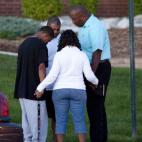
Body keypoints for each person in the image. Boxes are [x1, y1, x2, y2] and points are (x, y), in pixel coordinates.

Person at [34, 30, 98, 142]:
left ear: (62, 41)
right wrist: (97, 82)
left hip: (60, 90)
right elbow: (89, 76)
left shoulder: (59, 55)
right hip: (78, 91)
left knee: (60, 120)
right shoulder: (82, 55)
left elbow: (52, 75)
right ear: (76, 40)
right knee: (79, 120)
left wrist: (40, 87)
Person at [69, 5, 111, 142]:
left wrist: (91, 76)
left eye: (74, 19)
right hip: (92, 68)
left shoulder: (95, 27)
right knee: (94, 107)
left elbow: (97, 52)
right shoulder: (86, 26)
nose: (73, 22)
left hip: (99, 68)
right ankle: (99, 138)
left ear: (82, 17)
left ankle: (98, 139)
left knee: (96, 106)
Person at [14, 26, 54, 142]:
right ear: (45, 35)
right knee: (38, 124)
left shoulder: (24, 44)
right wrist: (42, 87)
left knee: (26, 122)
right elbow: (41, 67)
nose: (47, 43)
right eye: (49, 40)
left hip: (21, 89)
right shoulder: (40, 45)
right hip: (34, 91)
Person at [45, 16, 61, 142]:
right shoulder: (43, 40)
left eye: (57, 29)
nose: (55, 32)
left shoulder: (63, 41)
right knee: (43, 117)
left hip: (58, 86)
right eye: (53, 29)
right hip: (45, 84)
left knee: (57, 117)